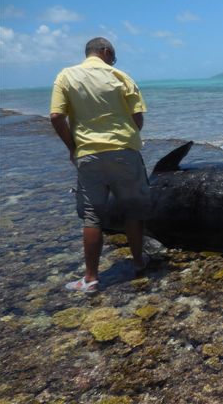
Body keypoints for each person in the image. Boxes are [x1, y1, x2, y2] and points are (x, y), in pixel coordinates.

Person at [50, 37, 151, 293]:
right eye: (113, 56)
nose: (113, 61)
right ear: (105, 51)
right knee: (133, 211)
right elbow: (137, 119)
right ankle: (139, 263)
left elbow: (56, 116)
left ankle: (91, 278)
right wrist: (123, 138)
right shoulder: (121, 77)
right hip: (124, 152)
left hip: (88, 155)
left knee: (92, 217)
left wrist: (73, 147)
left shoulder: (66, 76)